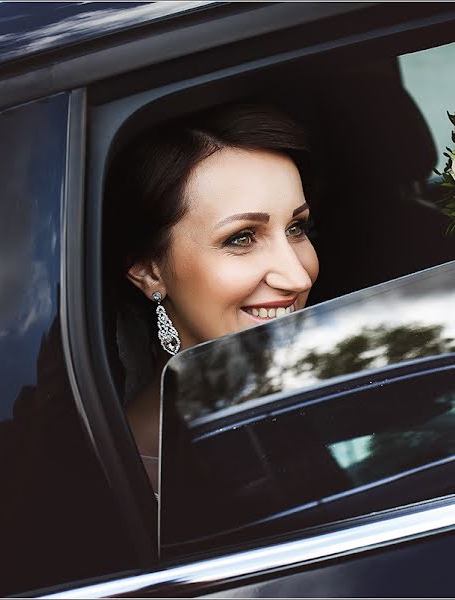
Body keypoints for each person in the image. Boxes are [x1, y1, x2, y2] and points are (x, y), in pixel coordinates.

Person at [104, 103, 320, 492]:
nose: (298, 276)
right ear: (150, 271)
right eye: (241, 238)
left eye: (296, 228)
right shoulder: (143, 471)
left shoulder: (314, 387)